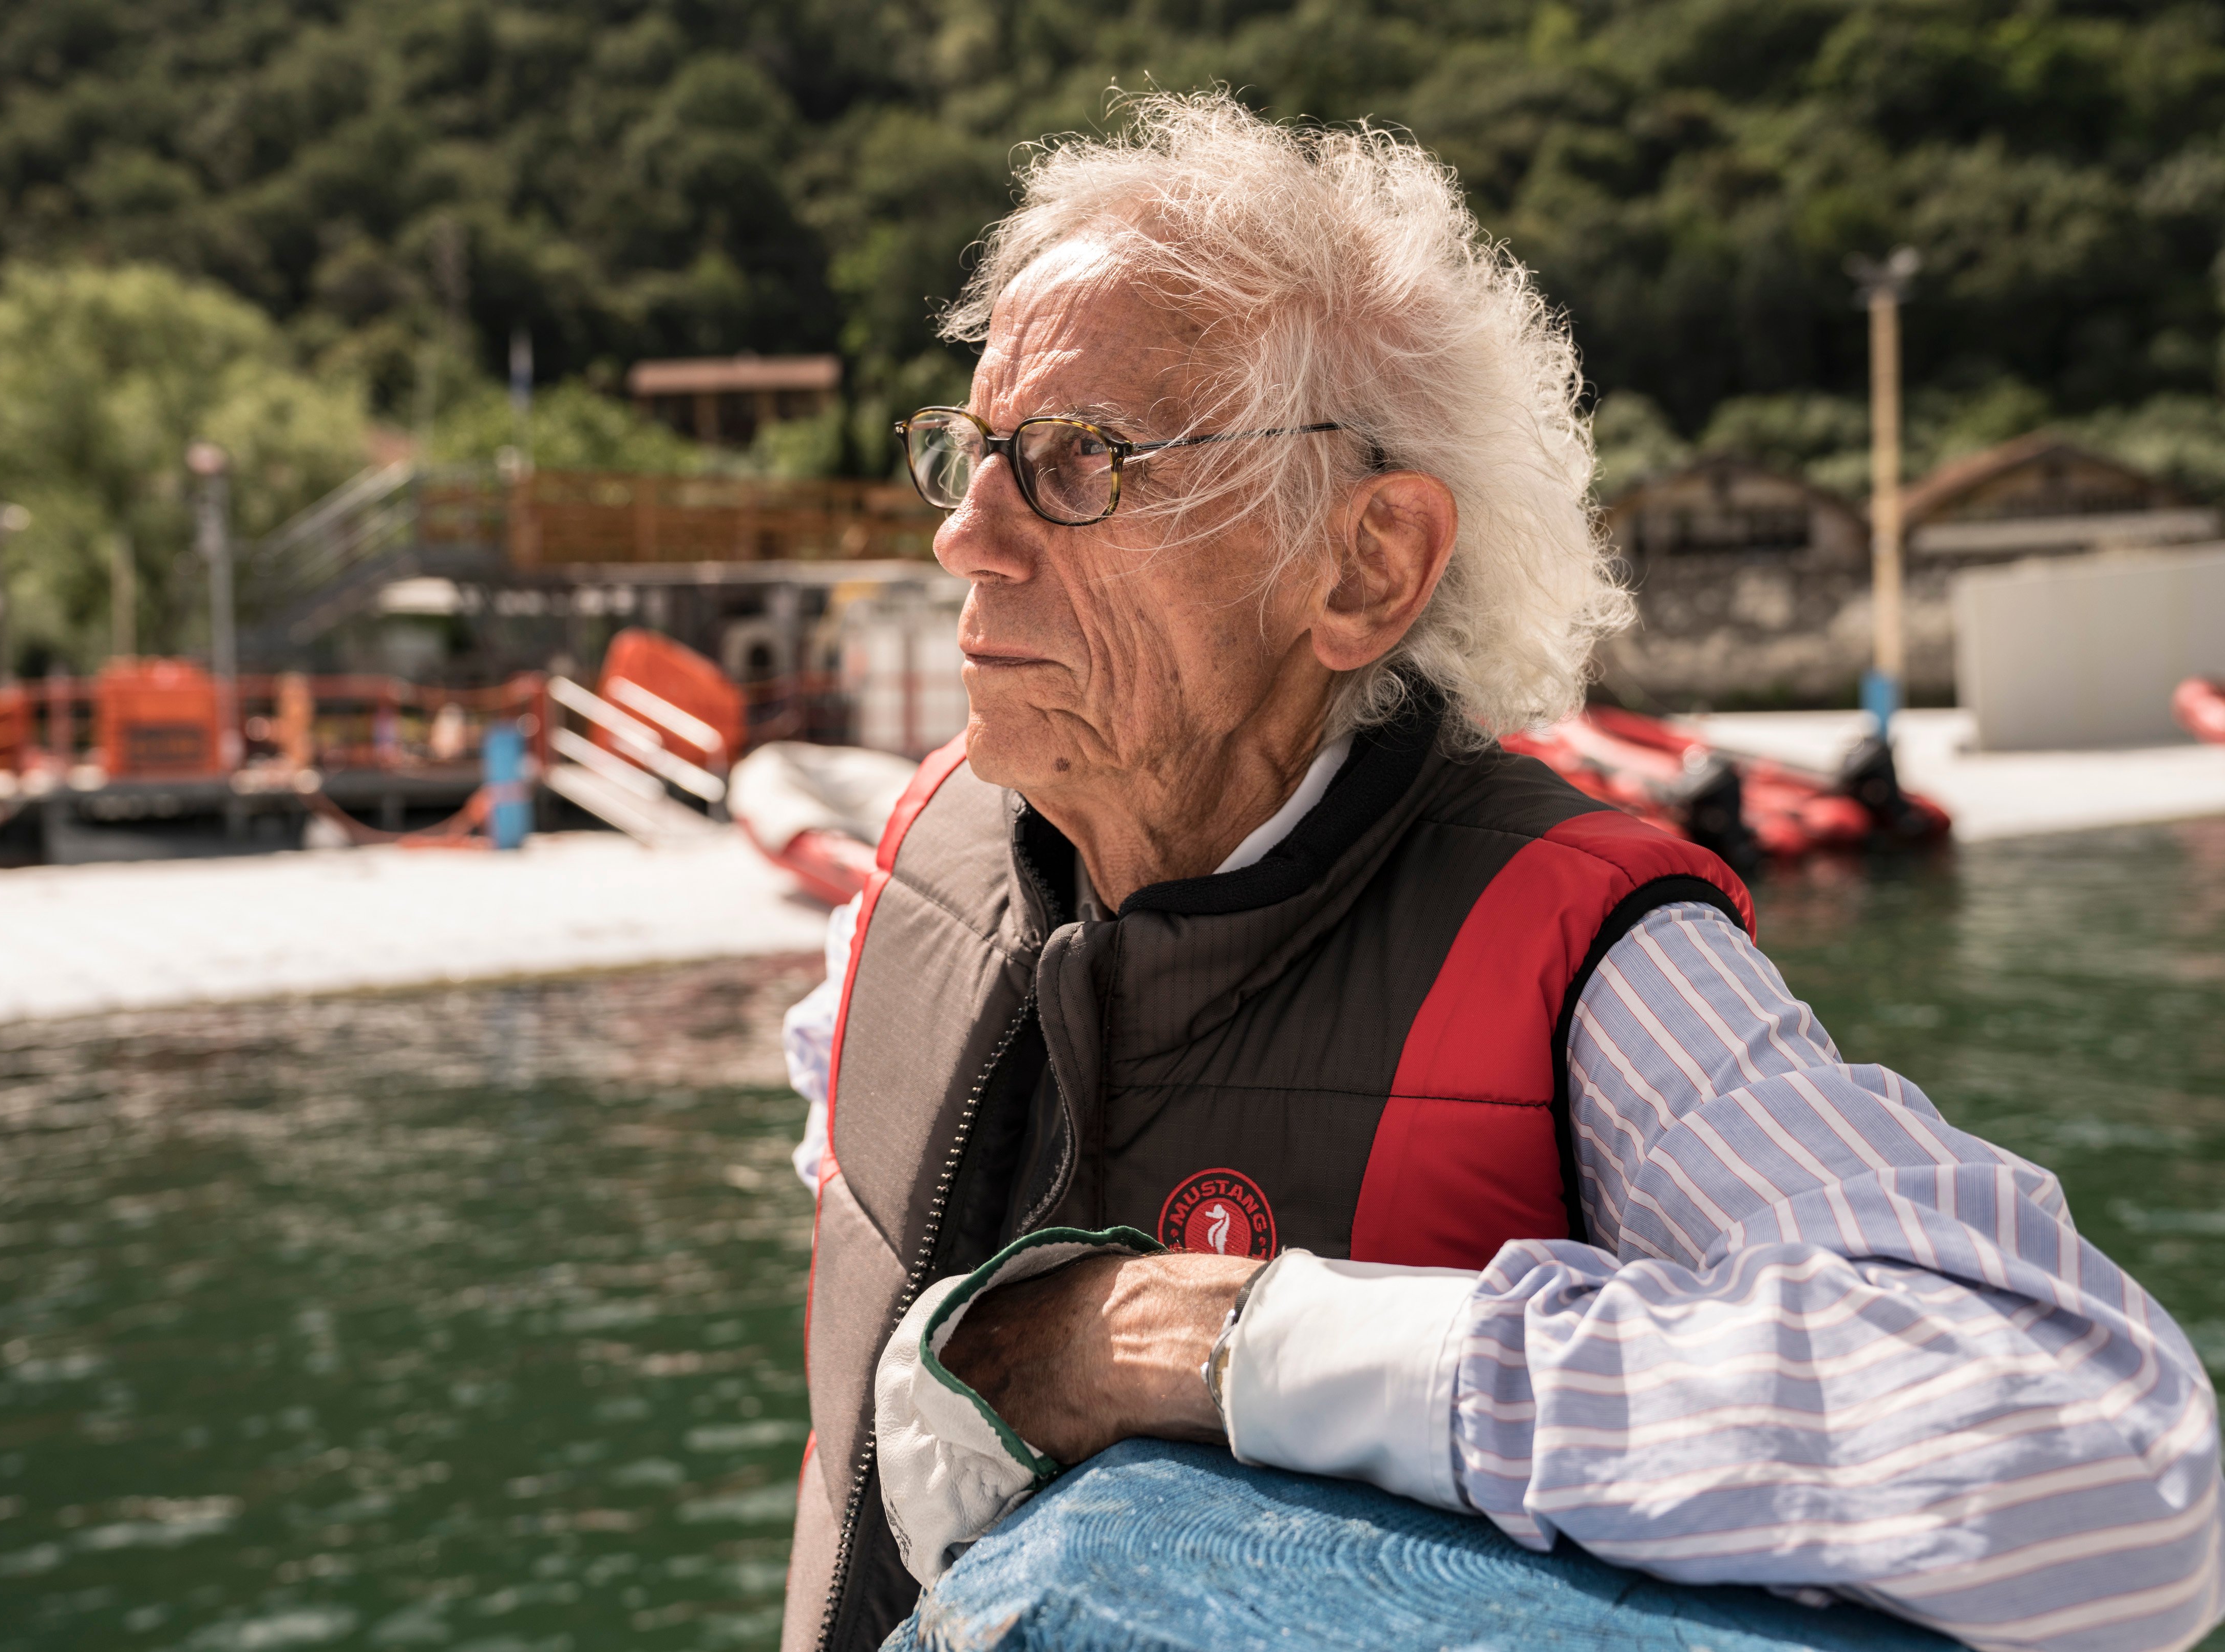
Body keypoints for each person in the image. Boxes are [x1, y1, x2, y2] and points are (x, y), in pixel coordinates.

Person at [778, 93, 2223, 1652]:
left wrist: (1230, 1341)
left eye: (1076, 462)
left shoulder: (1580, 965)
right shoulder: (908, 889)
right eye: (967, 452)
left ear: (1366, 564)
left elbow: (2113, 1477)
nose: (967, 539)